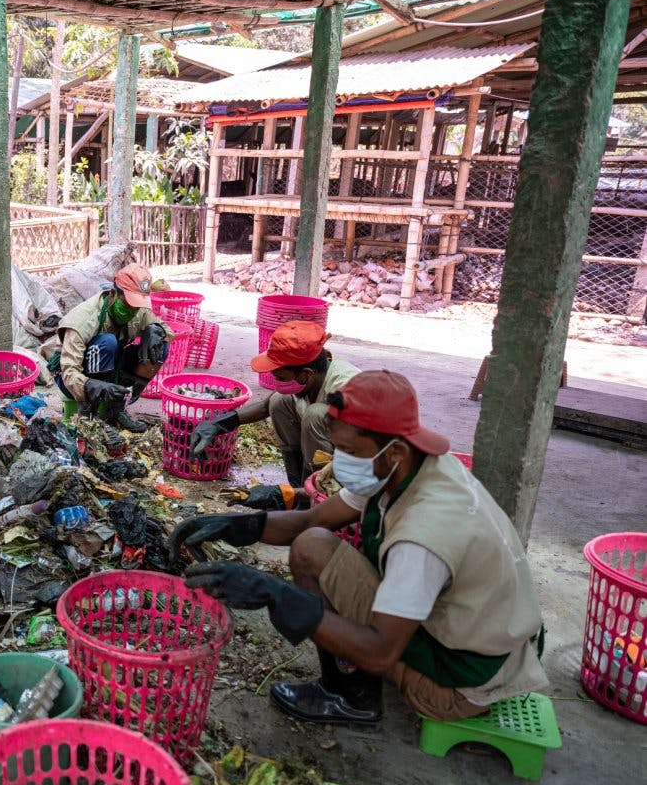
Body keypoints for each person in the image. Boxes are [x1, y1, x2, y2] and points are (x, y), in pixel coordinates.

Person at [171, 371, 547, 725]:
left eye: (349, 450)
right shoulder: (405, 466)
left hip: (460, 681)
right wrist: (236, 525)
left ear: (395, 450)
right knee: (312, 545)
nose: (341, 461)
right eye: (338, 448)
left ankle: (351, 699)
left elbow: (379, 651)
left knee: (315, 565)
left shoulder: (423, 533)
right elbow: (311, 521)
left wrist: (275, 594)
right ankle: (351, 685)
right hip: (462, 632)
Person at [192, 320, 359, 507]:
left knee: (315, 415)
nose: (275, 381)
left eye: (280, 377)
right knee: (279, 401)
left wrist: (282, 495)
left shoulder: (346, 390)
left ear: (306, 374)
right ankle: (300, 492)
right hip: (327, 457)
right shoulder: (313, 375)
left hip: (351, 470)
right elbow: (265, 406)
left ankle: (315, 500)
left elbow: (360, 462)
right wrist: (220, 423)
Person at [53, 263, 173, 433]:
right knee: (107, 342)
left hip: (111, 366)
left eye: (137, 304)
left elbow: (168, 331)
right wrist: (94, 387)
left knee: (160, 346)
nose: (133, 309)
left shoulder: (139, 311)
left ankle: (117, 408)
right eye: (128, 302)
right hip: (73, 378)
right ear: (113, 294)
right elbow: (69, 374)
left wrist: (155, 331)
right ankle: (88, 412)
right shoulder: (83, 320)